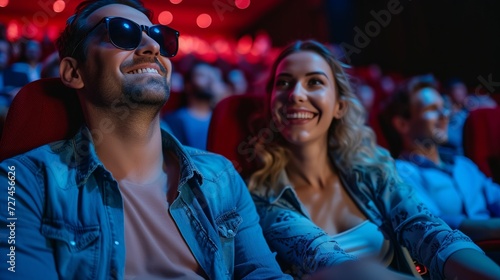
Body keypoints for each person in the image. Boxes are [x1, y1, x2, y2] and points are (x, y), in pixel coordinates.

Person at [0, 1, 289, 279]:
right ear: (74, 72)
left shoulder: (222, 176)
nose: (152, 46)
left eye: (159, 37)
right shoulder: (21, 183)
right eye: (122, 33)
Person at [247, 40, 500, 279]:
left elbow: (430, 233)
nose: (295, 94)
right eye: (284, 83)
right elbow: (329, 262)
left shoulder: (372, 166)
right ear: (271, 103)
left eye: (314, 82)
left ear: (339, 106)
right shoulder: (264, 195)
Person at [379, 77, 500, 245]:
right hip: (459, 261)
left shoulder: (463, 163)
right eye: (432, 109)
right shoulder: (399, 173)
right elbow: (434, 224)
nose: (445, 115)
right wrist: (494, 227)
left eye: (444, 108)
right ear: (402, 124)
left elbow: (495, 197)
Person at [163, 61, 220, 150]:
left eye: (212, 76)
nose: (210, 80)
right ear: (187, 85)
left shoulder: (222, 119)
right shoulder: (174, 120)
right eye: (202, 75)